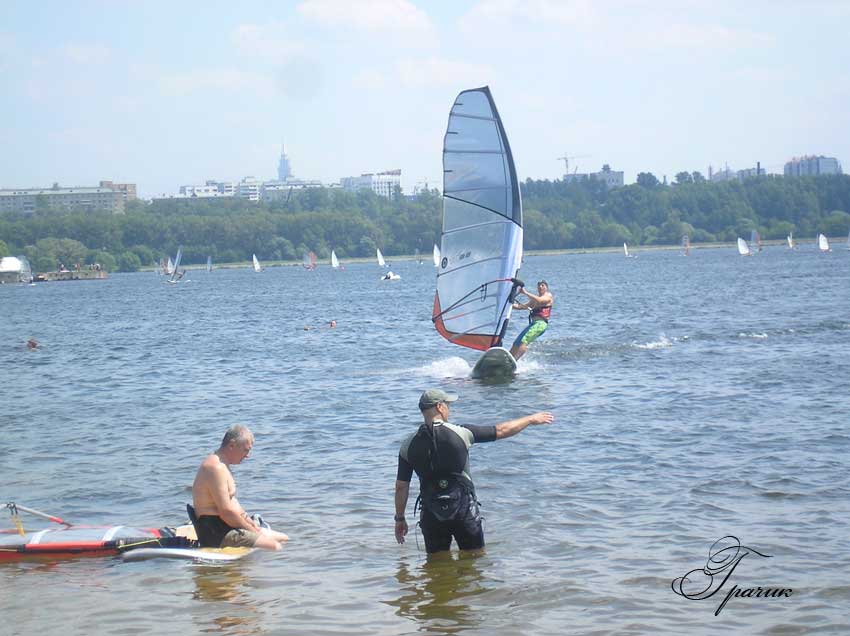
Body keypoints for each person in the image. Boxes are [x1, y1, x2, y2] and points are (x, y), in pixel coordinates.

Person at [394, 389, 554, 554]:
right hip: (463, 512)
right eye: (448, 405)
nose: (449, 409)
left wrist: (400, 518)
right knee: (474, 562)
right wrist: (530, 419)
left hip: (432, 515)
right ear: (440, 407)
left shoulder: (408, 445)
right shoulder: (461, 433)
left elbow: (401, 486)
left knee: (437, 565)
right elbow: (501, 430)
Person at [191, 424, 289, 550]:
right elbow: (226, 512)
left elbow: (233, 503)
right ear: (232, 445)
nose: (248, 455)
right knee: (275, 547)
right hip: (217, 533)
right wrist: (254, 532)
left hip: (228, 526)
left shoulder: (223, 465)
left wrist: (251, 524)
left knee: (284, 538)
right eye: (245, 450)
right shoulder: (215, 468)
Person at [509, 280, 554, 361]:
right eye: (539, 285)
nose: (540, 287)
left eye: (543, 285)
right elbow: (520, 307)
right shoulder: (534, 301)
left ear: (546, 288)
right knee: (516, 342)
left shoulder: (548, 296)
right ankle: (507, 359)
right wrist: (508, 304)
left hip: (540, 324)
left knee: (524, 341)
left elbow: (540, 301)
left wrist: (525, 293)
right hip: (533, 324)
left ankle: (513, 361)